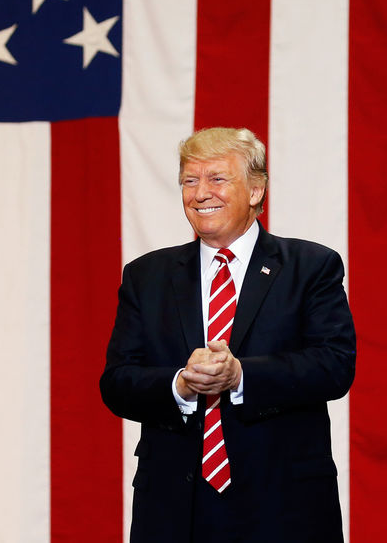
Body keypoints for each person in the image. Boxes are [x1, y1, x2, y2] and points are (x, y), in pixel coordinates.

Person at [100, 127, 356, 542]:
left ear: (256, 190)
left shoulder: (310, 267)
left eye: (217, 178)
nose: (201, 193)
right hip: (175, 508)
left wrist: (240, 377)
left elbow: (334, 366)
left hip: (284, 506)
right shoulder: (146, 276)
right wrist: (180, 384)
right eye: (189, 180)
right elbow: (117, 382)